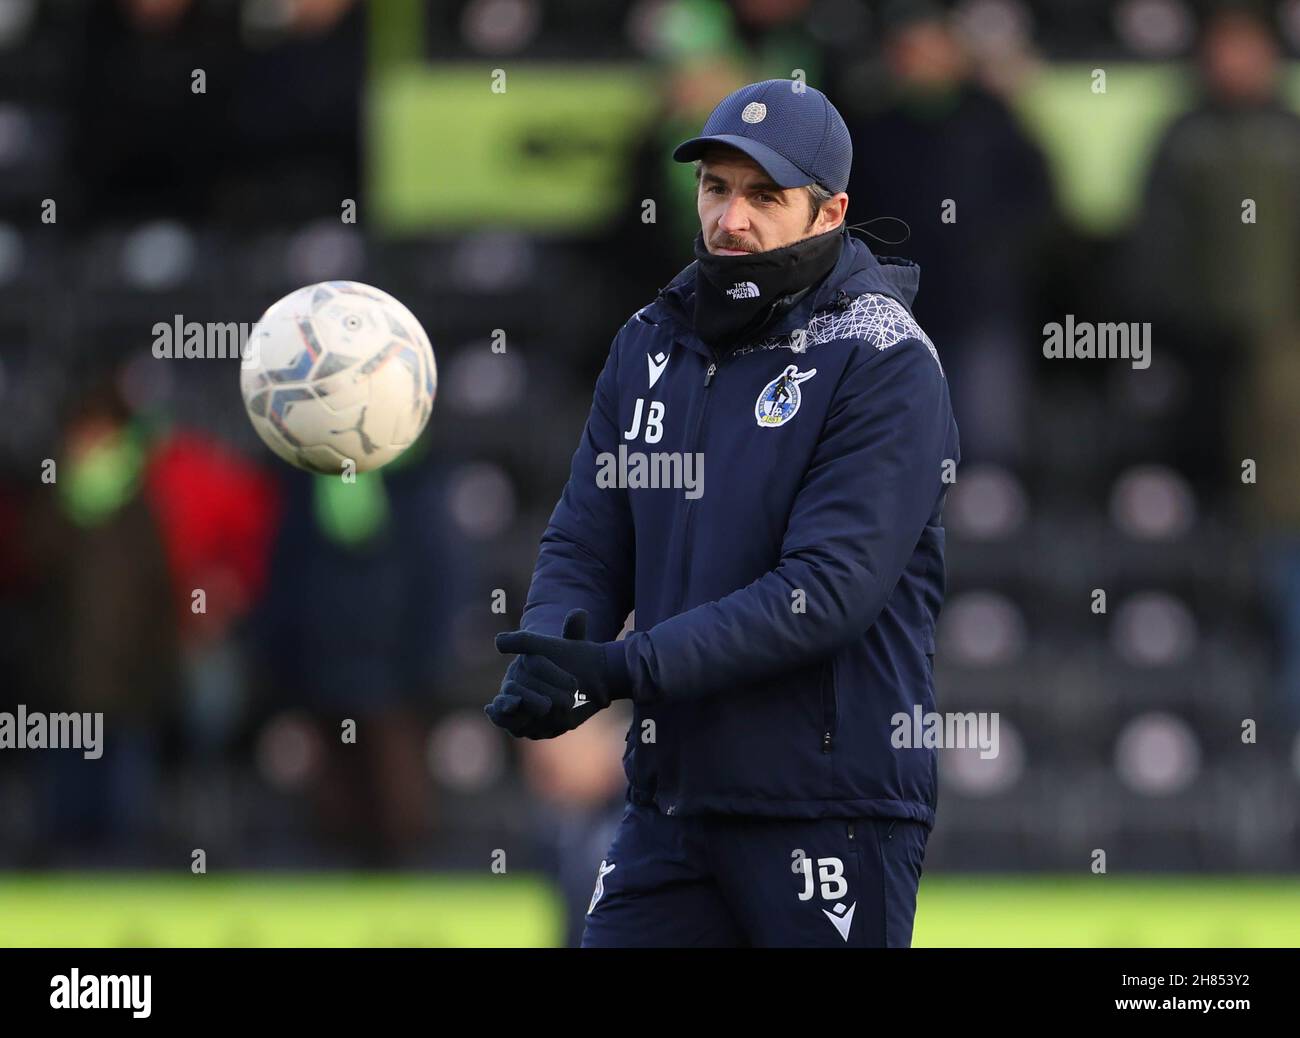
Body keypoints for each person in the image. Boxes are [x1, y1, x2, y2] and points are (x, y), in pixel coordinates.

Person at [486, 79, 959, 947]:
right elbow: (590, 534)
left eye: (763, 196)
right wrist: (557, 647)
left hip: (829, 813)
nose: (731, 219)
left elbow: (825, 592)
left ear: (830, 213)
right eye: (716, 188)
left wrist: (621, 669)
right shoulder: (649, 339)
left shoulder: (884, 359)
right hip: (670, 807)